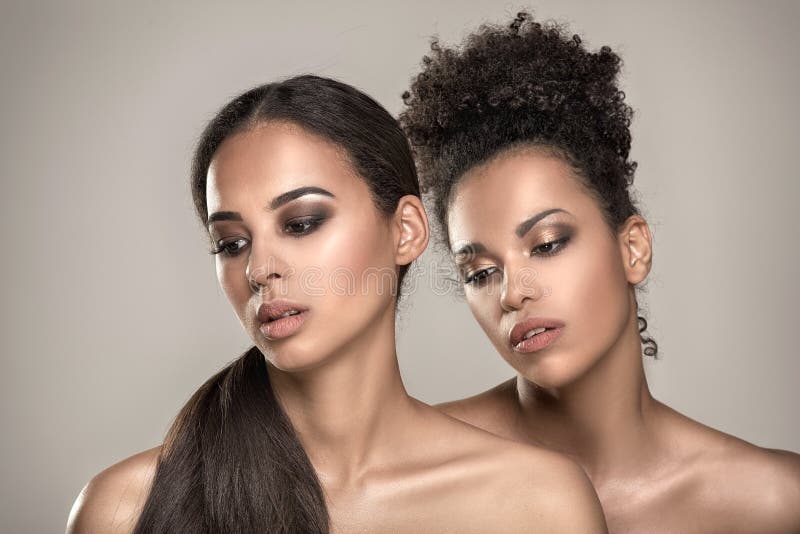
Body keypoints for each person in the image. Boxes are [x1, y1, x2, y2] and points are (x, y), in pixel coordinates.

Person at [65, 74, 606, 533]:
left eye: (301, 224)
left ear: (407, 231)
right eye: (232, 243)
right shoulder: (122, 510)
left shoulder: (539, 505)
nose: (258, 270)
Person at [400, 12, 800, 533]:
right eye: (479, 273)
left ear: (632, 248)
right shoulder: (415, 464)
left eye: (547, 244)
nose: (512, 293)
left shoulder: (772, 502)